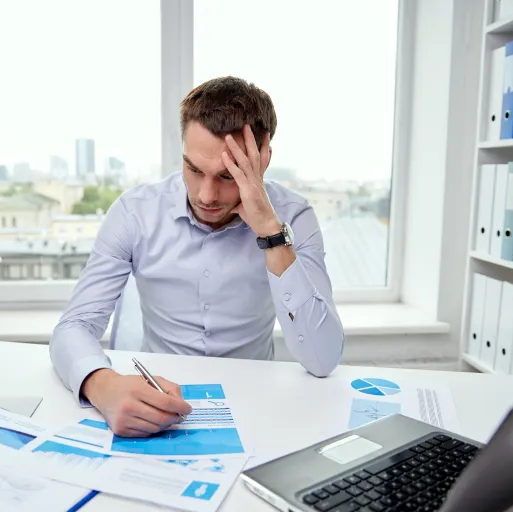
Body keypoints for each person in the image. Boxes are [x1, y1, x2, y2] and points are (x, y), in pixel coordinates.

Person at [50, 76, 345, 437]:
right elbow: (74, 327)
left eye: (227, 175)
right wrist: (102, 385)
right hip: (158, 397)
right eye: (194, 169)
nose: (206, 195)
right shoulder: (135, 212)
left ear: (263, 157)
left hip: (255, 407)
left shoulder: (293, 217)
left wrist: (271, 231)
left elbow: (323, 358)